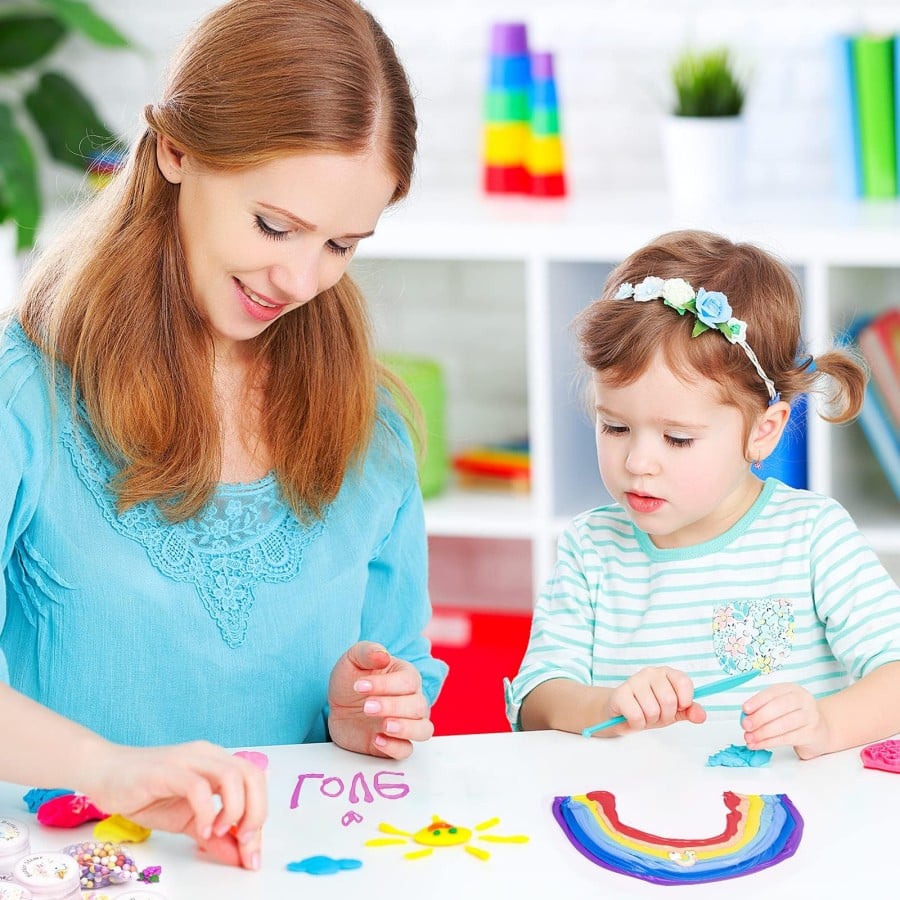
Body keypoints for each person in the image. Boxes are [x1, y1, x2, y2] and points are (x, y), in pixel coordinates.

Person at [0, 0, 447, 868]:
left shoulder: (370, 423)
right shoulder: (28, 393)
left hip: (290, 869)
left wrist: (366, 714)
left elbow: (398, 667)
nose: (301, 279)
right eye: (275, 225)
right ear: (177, 150)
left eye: (342, 245)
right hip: (77, 870)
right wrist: (107, 769)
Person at [505, 229, 900, 760]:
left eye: (677, 438)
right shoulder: (591, 548)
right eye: (615, 427)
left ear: (763, 431)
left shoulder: (811, 537)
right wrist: (605, 705)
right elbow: (535, 701)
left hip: (788, 808)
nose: (638, 462)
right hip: (633, 805)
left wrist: (826, 723)